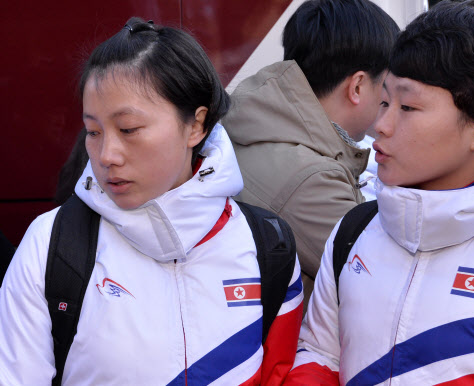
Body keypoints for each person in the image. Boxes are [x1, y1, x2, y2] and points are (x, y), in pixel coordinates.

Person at [0, 17, 303, 385]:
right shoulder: (51, 245)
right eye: (93, 131)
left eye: (128, 129)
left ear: (196, 125)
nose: (106, 154)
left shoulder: (267, 244)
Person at [285, 1, 474, 384]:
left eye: (407, 106)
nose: (381, 125)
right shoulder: (355, 231)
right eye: (384, 101)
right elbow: (320, 354)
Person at [222, 0, 400, 306]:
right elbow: (387, 285)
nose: (392, 100)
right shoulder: (311, 179)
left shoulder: (262, 121)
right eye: (388, 86)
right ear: (357, 87)